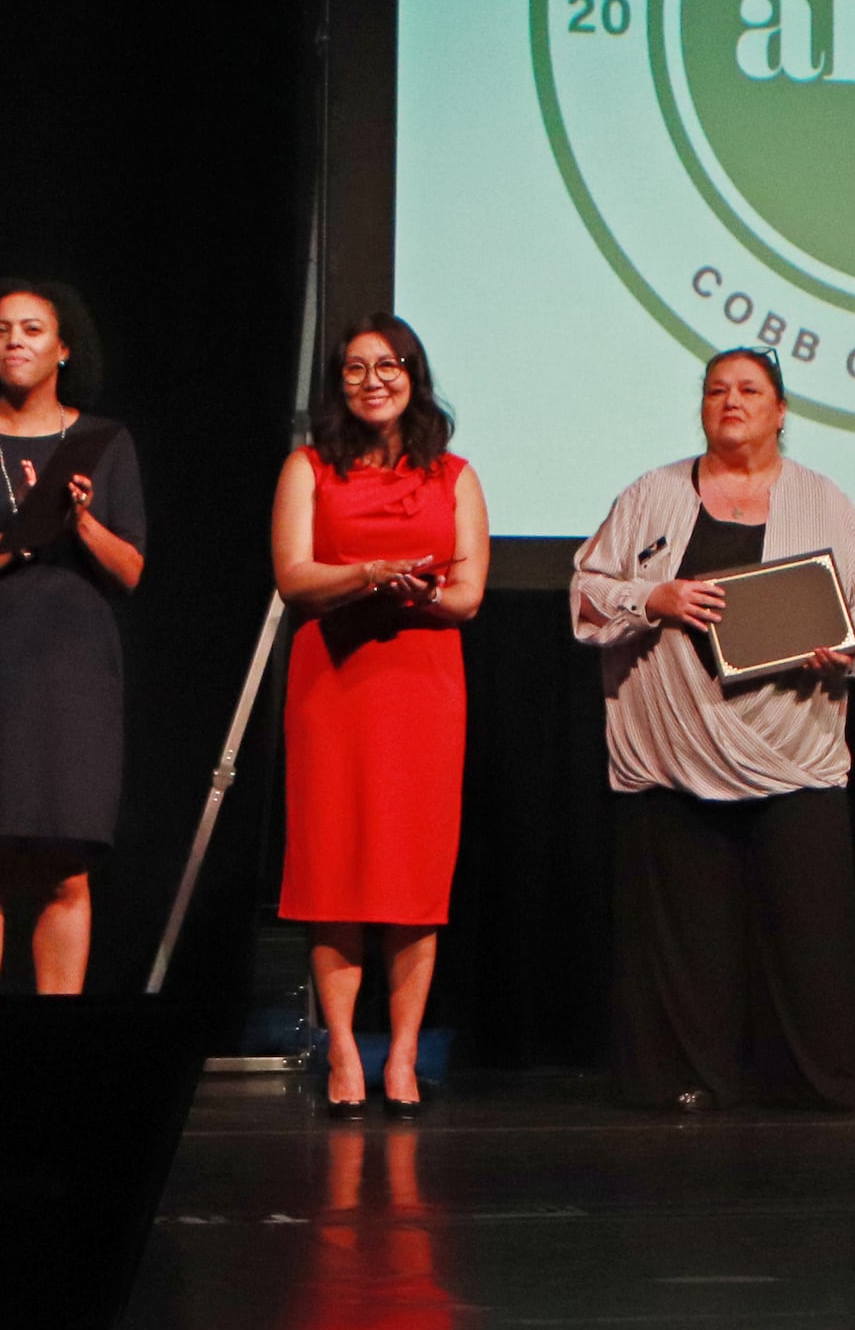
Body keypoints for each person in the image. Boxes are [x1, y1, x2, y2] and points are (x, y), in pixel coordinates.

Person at [569, 348, 855, 1110]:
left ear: (782, 411)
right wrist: (657, 599)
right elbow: (588, 587)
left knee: (807, 931)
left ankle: (822, 1080)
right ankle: (684, 1078)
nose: (731, 401)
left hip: (791, 748)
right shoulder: (652, 495)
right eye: (716, 390)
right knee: (688, 935)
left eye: (750, 390)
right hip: (674, 746)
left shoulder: (824, 500)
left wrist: (848, 651)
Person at [272, 314, 489, 1120]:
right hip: (335, 685)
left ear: (414, 376)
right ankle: (342, 1057)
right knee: (336, 874)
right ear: (338, 382)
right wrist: (365, 573)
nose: (374, 380)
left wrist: (414, 592)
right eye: (357, 368)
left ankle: (399, 1060)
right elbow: (294, 579)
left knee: (412, 881)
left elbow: (467, 596)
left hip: (422, 684)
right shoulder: (309, 469)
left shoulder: (455, 475)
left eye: (389, 365)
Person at [0, 280, 146, 993]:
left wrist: (76, 523)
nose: (15, 341)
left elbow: (130, 569)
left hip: (75, 671)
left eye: (33, 329)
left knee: (64, 864)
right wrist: (17, 541)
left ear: (64, 348)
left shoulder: (103, 442)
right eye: (1, 330)